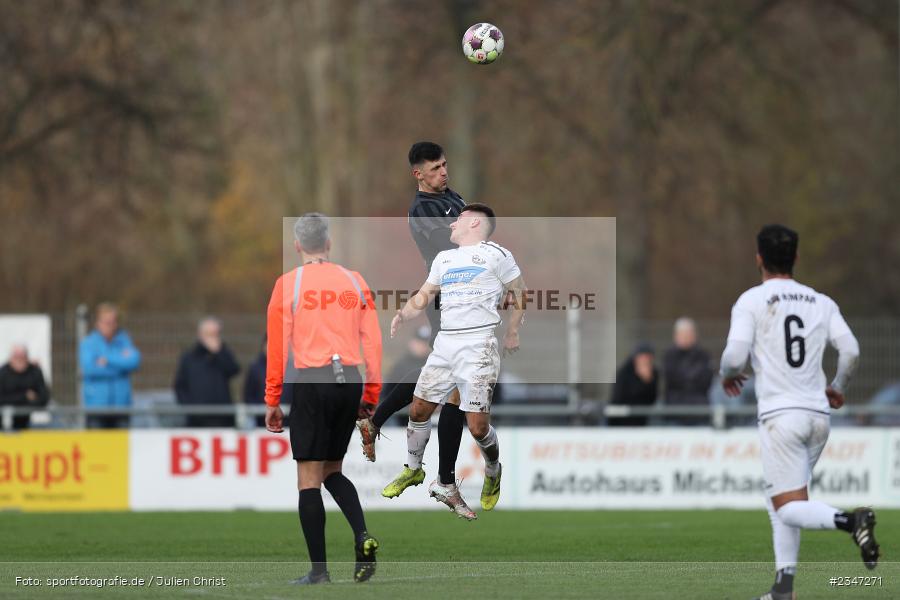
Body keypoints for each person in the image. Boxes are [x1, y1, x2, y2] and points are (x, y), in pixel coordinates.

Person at [719, 224, 877, 600]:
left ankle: (851, 521)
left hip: (781, 418)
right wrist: (838, 387)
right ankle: (783, 588)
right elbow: (851, 350)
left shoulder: (752, 301)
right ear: (797, 258)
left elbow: (733, 358)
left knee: (789, 508)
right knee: (783, 498)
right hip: (818, 418)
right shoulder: (821, 301)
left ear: (759, 258)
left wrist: (728, 375)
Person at [383, 204, 526, 520]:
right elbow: (424, 294)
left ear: (474, 222)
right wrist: (404, 313)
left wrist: (513, 330)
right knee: (419, 408)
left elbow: (520, 293)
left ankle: (492, 467)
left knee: (477, 427)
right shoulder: (444, 259)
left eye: (458, 218)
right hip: (446, 343)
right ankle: (414, 470)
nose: (452, 223)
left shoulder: (497, 255)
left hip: (479, 346)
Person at [264, 213, 382, 585]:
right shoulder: (354, 281)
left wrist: (272, 399)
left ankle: (319, 571)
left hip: (313, 381)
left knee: (308, 478)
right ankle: (362, 536)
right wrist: (372, 392)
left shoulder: (288, 284)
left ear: (297, 245)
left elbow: (277, 347)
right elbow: (373, 342)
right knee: (333, 470)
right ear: (328, 243)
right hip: (348, 380)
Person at [356, 142, 470, 490]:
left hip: (467, 298)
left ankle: (378, 423)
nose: (444, 172)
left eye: (445, 165)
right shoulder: (421, 210)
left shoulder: (455, 198)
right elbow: (456, 246)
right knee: (454, 384)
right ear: (417, 174)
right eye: (435, 168)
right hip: (446, 300)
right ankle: (444, 479)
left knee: (449, 378)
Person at [80, 303, 141, 428]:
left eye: (113, 322)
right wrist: (121, 367)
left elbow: (134, 361)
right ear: (98, 323)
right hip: (97, 409)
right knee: (97, 447)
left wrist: (107, 360)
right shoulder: (88, 343)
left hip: (121, 408)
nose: (111, 326)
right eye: (107, 322)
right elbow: (90, 369)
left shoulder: (124, 340)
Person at [174, 317, 241, 428]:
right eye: (209, 334)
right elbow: (180, 386)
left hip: (223, 417)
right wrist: (189, 408)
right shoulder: (189, 357)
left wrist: (219, 353)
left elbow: (234, 370)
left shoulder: (224, 353)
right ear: (200, 334)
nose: (212, 338)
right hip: (197, 419)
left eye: (215, 334)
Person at [663, 317, 714, 425]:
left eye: (688, 334)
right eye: (682, 334)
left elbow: (706, 381)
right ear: (676, 336)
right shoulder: (669, 356)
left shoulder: (703, 356)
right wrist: (692, 376)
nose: (686, 337)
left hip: (699, 412)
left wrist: (685, 377)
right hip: (674, 413)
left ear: (694, 335)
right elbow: (671, 380)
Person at [378, 325, 433, 427]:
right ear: (412, 342)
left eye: (426, 342)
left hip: (421, 415)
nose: (423, 346)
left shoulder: (433, 365)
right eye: (419, 341)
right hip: (397, 414)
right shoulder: (401, 366)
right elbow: (386, 396)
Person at [0, 345, 49, 430]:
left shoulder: (35, 372)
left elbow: (43, 398)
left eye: (22, 357)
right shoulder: (3, 373)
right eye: (16, 356)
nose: (19, 359)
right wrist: (25, 396)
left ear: (27, 357)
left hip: (29, 422)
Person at [607, 343, 658, 427]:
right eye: (642, 357)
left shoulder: (654, 373)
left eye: (647, 357)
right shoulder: (624, 372)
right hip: (621, 420)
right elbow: (619, 397)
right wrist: (641, 382)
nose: (645, 360)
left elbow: (652, 398)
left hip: (642, 419)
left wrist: (648, 382)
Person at [242, 334, 267, 427]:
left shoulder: (290, 368)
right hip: (260, 419)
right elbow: (248, 394)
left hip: (286, 419)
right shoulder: (255, 368)